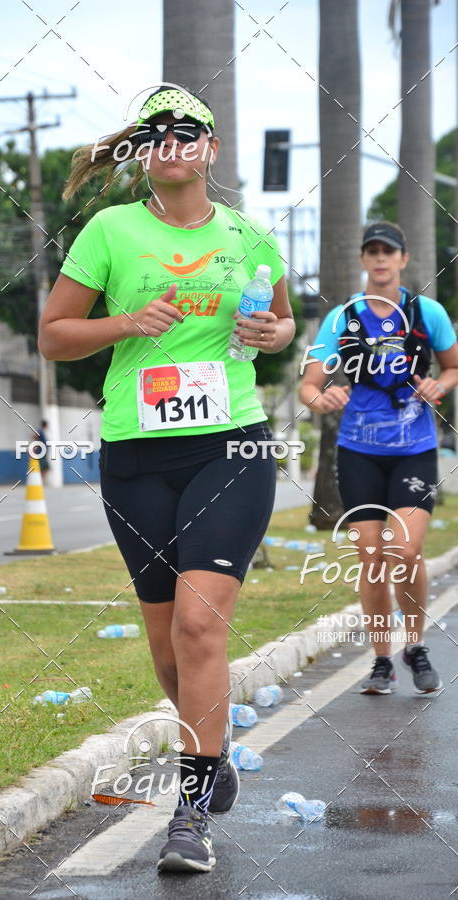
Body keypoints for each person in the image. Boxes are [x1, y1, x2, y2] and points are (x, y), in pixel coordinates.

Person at [39, 85, 295, 873]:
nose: (172, 142)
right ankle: (209, 757)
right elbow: (53, 337)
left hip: (232, 447)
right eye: (157, 133)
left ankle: (189, 814)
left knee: (198, 628)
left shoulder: (249, 236)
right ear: (142, 151)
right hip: (138, 453)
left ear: (211, 149)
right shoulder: (109, 231)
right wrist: (125, 323)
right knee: (165, 646)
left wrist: (272, 331)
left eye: (188, 131)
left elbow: (282, 323)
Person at [299, 222, 458, 696]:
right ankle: (383, 660)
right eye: (372, 252)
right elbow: (309, 383)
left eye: (389, 251)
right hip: (358, 451)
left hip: (414, 450)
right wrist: (318, 398)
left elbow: (453, 367)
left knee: (404, 551)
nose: (381, 259)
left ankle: (416, 645)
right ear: (364, 261)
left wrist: (439, 385)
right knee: (371, 556)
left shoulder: (425, 312)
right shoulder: (341, 318)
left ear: (404, 260)